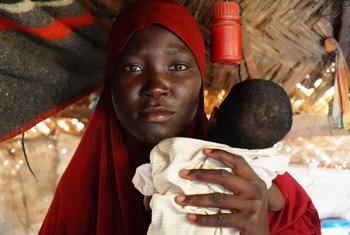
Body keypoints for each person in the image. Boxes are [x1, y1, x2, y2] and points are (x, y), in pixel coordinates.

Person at [39, 1, 321, 234]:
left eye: (178, 65)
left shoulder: (267, 194)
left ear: (200, 81)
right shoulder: (77, 203)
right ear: (111, 84)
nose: (156, 86)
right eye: (132, 67)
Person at [133, 79, 293, 234]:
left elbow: (149, 199)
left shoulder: (177, 150)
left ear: (214, 118)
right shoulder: (260, 165)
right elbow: (278, 204)